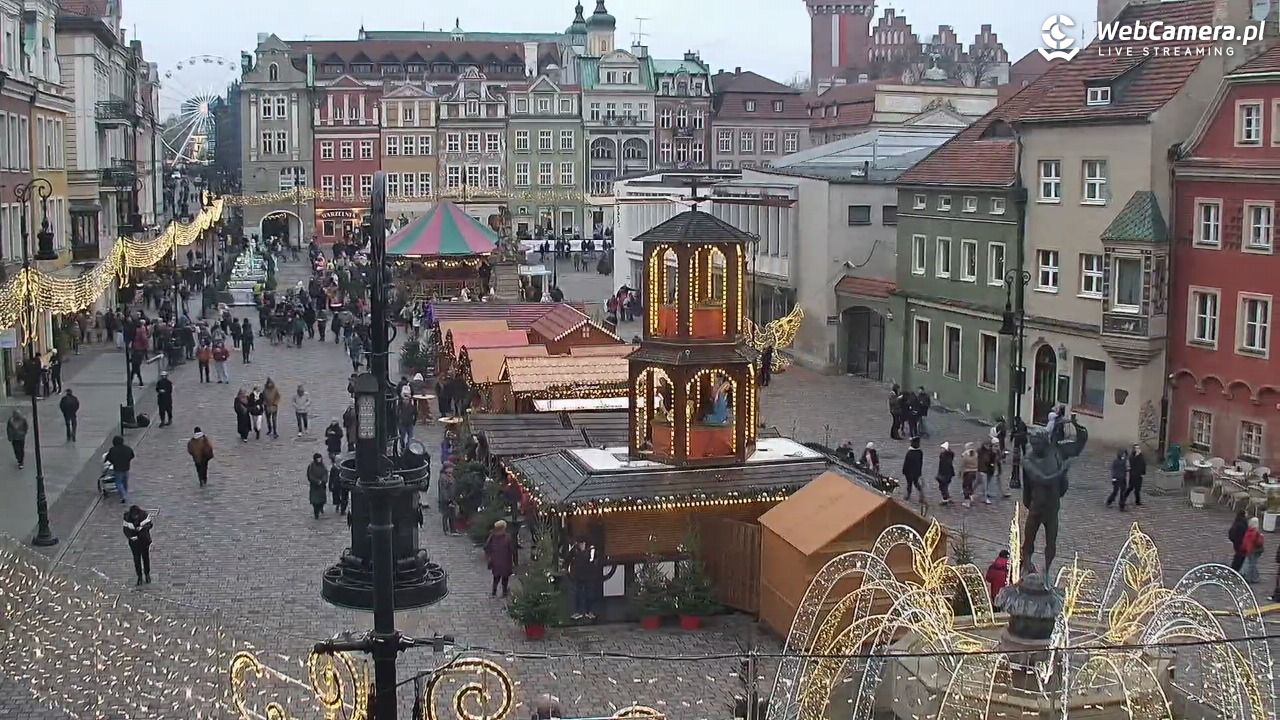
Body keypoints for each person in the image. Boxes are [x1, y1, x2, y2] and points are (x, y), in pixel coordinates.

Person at [567, 536, 598, 621]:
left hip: (588, 575)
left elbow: (594, 560)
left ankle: (589, 612)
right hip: (578, 575)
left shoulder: (591, 550)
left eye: (582, 543)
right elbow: (568, 559)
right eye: (579, 544)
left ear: (584, 543)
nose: (581, 545)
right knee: (578, 594)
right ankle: (578, 612)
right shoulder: (574, 550)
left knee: (589, 594)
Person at [484, 519, 517, 598]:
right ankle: (504, 592)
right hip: (506, 561)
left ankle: (494, 592)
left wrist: (490, 555)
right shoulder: (507, 537)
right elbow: (512, 549)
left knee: (496, 577)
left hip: (495, 560)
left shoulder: (492, 536)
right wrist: (514, 560)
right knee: (505, 578)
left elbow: (486, 546)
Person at [122, 504, 153, 585]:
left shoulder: (144, 515)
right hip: (134, 542)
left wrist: (142, 528)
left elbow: (150, 525)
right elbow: (125, 529)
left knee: (145, 558)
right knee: (136, 560)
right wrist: (130, 537)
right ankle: (139, 576)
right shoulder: (127, 517)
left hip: (144, 540)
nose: (135, 518)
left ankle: (147, 574)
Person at [105, 435, 135, 504]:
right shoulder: (127, 448)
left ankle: (123, 495)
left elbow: (109, 458)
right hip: (126, 467)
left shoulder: (113, 449)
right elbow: (132, 455)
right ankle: (125, 493)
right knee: (125, 482)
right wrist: (127, 460)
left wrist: (113, 462)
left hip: (117, 468)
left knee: (118, 482)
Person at [901, 436, 924, 501]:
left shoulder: (909, 452)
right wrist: (919, 472)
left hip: (909, 472)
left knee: (909, 484)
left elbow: (906, 463)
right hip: (916, 472)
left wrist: (904, 470)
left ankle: (908, 495)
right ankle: (921, 492)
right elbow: (920, 463)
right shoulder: (920, 452)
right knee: (916, 483)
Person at [1243, 517, 1265, 583]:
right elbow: (1258, 543)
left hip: (1250, 550)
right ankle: (1252, 577)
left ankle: (1252, 577)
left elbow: (1247, 541)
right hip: (1255, 550)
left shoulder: (1249, 531)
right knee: (1252, 564)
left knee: (1251, 564)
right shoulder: (1255, 532)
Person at [307, 454, 328, 519]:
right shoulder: (311, 466)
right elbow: (310, 476)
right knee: (315, 501)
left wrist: (323, 481)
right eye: (318, 458)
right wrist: (316, 481)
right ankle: (316, 514)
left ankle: (321, 508)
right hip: (315, 486)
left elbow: (325, 473)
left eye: (320, 458)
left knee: (321, 500)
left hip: (322, 486)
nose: (319, 460)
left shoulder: (323, 466)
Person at [959, 442, 979, 508]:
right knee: (970, 484)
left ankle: (967, 501)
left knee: (965, 486)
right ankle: (971, 496)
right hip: (974, 471)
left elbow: (962, 465)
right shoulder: (976, 454)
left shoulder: (965, 455)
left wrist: (960, 473)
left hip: (967, 472)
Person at [936, 441, 955, 506]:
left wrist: (940, 475)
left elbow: (944, 467)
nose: (941, 449)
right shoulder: (948, 455)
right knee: (944, 486)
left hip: (945, 474)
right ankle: (947, 497)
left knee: (943, 486)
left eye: (942, 448)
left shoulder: (945, 457)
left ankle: (945, 499)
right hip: (947, 474)